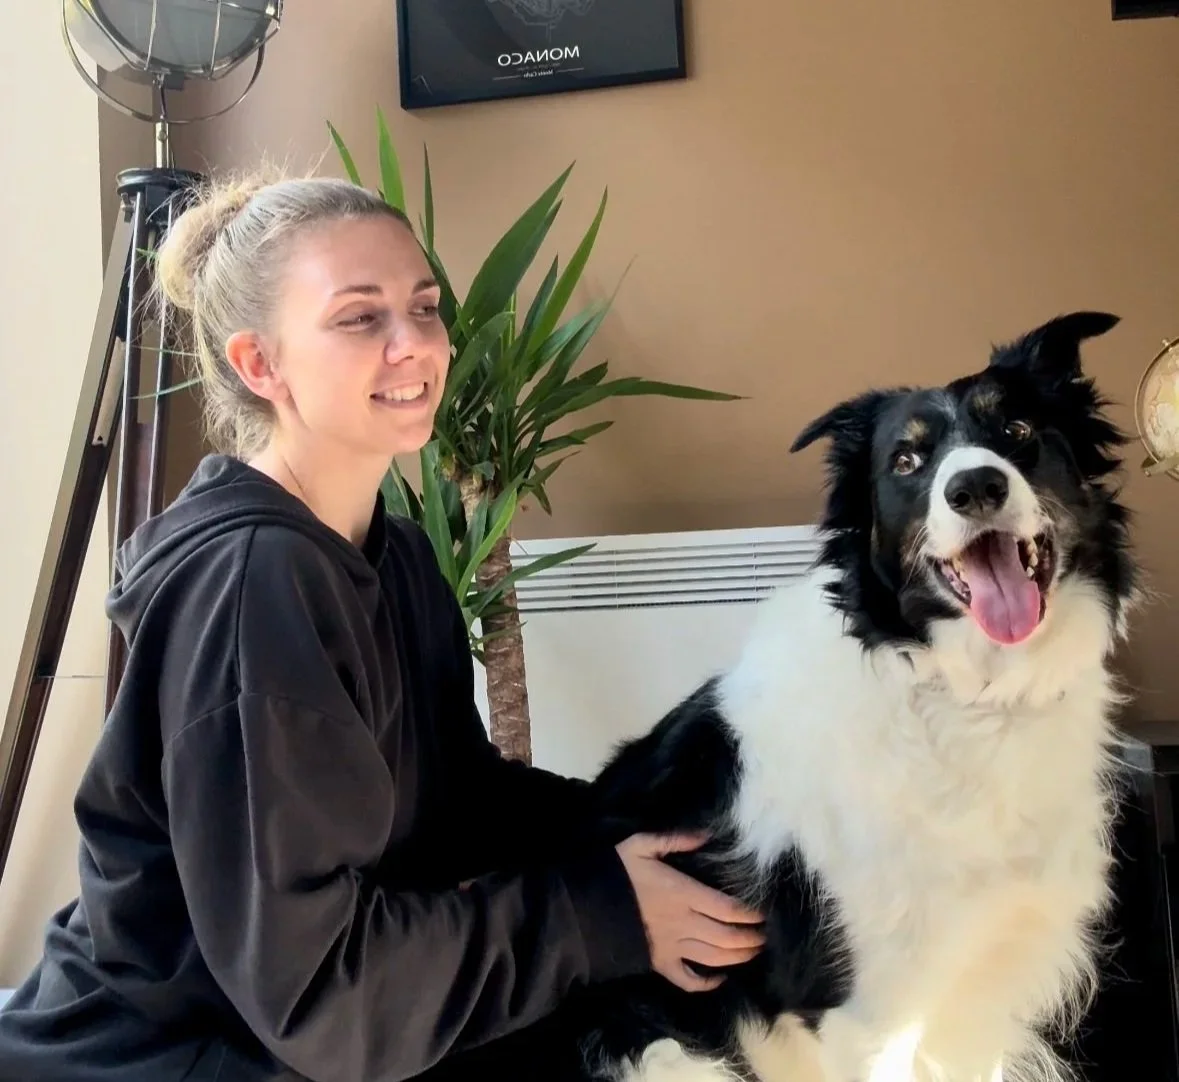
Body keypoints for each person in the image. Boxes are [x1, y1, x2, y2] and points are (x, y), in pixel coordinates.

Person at [0, 171, 765, 1082]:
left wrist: (681, 825)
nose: (415, 346)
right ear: (260, 365)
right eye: (360, 318)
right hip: (175, 1055)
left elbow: (459, 804)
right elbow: (318, 990)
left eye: (426, 307)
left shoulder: (394, 557)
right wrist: (600, 913)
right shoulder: (254, 585)